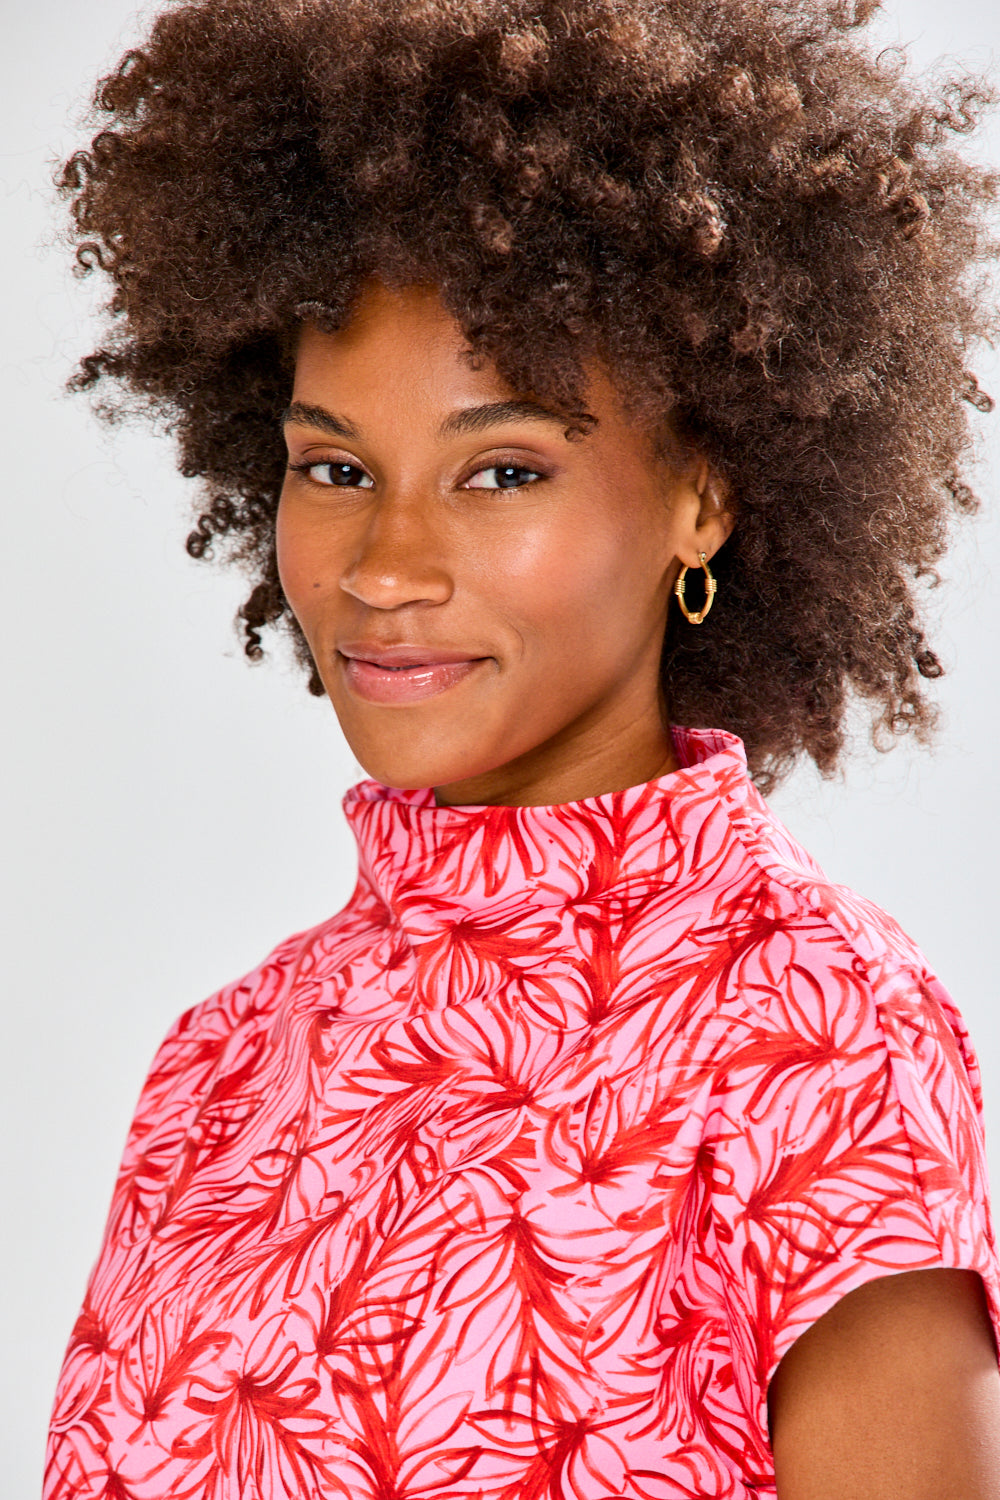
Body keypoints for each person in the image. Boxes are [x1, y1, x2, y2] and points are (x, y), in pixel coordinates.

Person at [45, 0, 1000, 1495]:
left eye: (502, 469)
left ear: (705, 491)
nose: (387, 562)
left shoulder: (819, 1034)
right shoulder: (218, 1070)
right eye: (336, 467)